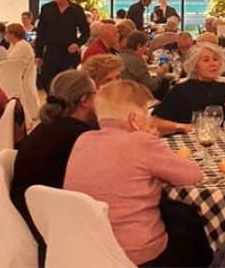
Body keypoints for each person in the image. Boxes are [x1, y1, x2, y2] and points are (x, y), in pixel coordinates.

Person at [64, 80, 211, 267]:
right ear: (134, 119)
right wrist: (149, 141)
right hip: (134, 254)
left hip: (86, 249)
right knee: (195, 234)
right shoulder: (140, 143)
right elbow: (193, 175)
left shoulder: (83, 139)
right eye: (145, 112)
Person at [10, 70, 98, 266]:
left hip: (30, 210)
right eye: (96, 93)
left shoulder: (49, 126)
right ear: (85, 100)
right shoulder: (79, 135)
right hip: (54, 220)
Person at [150, 42, 225, 135]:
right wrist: (183, 127)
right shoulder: (181, 91)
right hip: (186, 144)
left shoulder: (224, 89)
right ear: (195, 65)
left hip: (219, 143)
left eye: (215, 59)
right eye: (206, 60)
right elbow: (154, 123)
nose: (212, 64)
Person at [34, 0, 90, 90]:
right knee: (47, 82)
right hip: (51, 52)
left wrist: (77, 44)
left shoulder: (76, 10)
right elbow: (40, 33)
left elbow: (86, 32)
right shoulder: (46, 9)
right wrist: (38, 54)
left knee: (68, 84)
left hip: (69, 52)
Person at [119, 31, 169, 100]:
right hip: (134, 98)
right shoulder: (136, 61)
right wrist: (160, 74)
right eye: (146, 46)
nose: (145, 50)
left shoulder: (120, 56)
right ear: (139, 46)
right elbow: (151, 86)